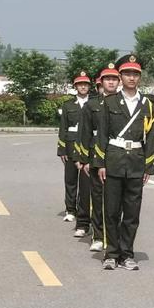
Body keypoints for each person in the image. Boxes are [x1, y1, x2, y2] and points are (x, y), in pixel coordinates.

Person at [95, 55, 154, 270]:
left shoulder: (148, 105)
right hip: (113, 159)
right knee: (111, 210)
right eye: (127, 74)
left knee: (132, 212)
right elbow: (102, 134)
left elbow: (150, 137)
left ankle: (127, 254)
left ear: (140, 77)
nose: (131, 78)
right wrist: (100, 163)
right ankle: (111, 253)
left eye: (135, 74)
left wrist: (149, 166)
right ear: (120, 77)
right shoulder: (109, 102)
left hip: (136, 163)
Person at [78, 69, 119, 251]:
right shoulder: (92, 105)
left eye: (114, 79)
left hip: (117, 156)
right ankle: (98, 235)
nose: (110, 82)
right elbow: (85, 133)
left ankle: (113, 237)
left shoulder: (124, 103)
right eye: (107, 79)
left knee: (116, 200)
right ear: (101, 82)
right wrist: (84, 158)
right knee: (98, 197)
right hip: (96, 155)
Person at [58, 71, 91, 237]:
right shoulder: (68, 105)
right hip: (71, 144)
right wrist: (62, 149)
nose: (83, 86)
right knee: (70, 179)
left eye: (85, 84)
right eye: (80, 84)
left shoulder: (94, 103)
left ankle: (83, 210)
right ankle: (70, 209)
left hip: (87, 146)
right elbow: (63, 128)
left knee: (86, 181)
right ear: (75, 87)